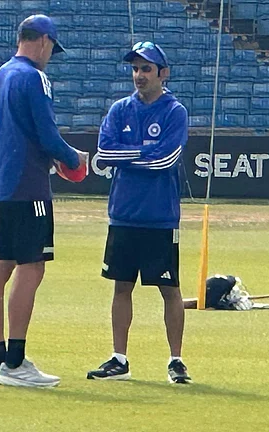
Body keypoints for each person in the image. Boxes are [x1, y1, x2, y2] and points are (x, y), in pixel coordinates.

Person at [0, 14, 87, 388]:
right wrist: (73, 159)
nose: (51, 56)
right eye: (52, 48)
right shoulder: (35, 77)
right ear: (42, 41)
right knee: (32, 267)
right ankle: (16, 360)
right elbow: (48, 133)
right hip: (29, 187)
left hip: (1, 186)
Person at [86, 41, 192, 384]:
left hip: (160, 216)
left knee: (169, 289)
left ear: (163, 73)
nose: (139, 75)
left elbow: (166, 160)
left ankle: (176, 361)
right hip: (124, 214)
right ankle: (119, 358)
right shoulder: (119, 110)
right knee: (121, 287)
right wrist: (142, 152)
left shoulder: (175, 112)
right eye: (135, 69)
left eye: (146, 69)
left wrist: (127, 154)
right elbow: (102, 154)